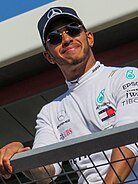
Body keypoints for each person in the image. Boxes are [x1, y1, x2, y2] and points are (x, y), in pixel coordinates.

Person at [0, 6, 138, 184]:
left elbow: (130, 141)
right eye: (55, 38)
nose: (66, 39)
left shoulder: (126, 77)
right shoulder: (49, 112)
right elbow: (45, 172)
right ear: (49, 56)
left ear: (89, 38)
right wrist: (20, 155)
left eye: (72, 29)